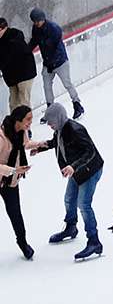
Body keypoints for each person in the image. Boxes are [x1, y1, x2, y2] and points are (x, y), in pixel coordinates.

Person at [34, 99, 105, 260]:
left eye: (50, 122)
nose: (49, 125)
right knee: (69, 199)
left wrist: (73, 166)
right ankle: (71, 228)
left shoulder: (75, 129)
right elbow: (56, 143)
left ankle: (94, 242)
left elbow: (90, 151)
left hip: (90, 170)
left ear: (58, 118)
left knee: (84, 204)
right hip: (76, 170)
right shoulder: (60, 129)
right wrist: (39, 148)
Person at [27, 9, 83, 118]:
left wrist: (41, 43)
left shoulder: (54, 28)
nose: (36, 24)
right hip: (48, 64)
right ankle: (50, 108)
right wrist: (26, 50)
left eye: (38, 21)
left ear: (43, 19)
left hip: (60, 62)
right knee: (47, 86)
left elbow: (50, 44)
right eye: (34, 21)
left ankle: (77, 104)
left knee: (67, 84)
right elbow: (34, 41)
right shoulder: (36, 29)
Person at [1, 104, 34, 259]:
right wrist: (14, 170)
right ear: (18, 120)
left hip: (10, 182)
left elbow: (26, 145)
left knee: (15, 213)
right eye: (28, 119)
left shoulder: (22, 132)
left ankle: (22, 242)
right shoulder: (1, 137)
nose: (30, 123)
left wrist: (43, 144)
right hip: (7, 174)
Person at [0, 15, 38, 110]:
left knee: (23, 101)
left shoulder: (14, 38)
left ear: (3, 28)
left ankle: (26, 122)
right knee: (13, 103)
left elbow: (9, 57)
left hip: (24, 73)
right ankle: (14, 123)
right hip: (12, 77)